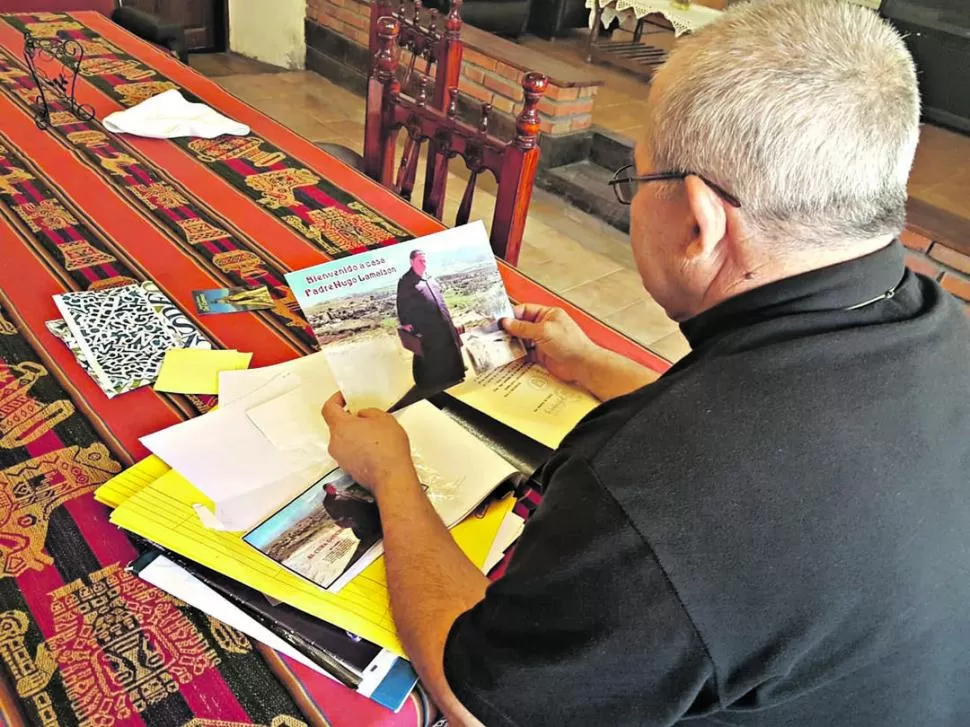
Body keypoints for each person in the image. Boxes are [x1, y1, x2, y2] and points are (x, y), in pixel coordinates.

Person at [322, 1, 970, 725]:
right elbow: (782, 436)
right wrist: (594, 364)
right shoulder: (935, 325)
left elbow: (478, 692)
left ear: (698, 222)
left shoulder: (652, 483)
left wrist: (390, 474)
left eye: (636, 182)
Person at [396, 249, 465, 393]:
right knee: (428, 352)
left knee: (450, 347)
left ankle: (454, 375)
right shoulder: (405, 281)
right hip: (425, 325)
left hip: (444, 320)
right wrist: (405, 322)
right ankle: (426, 383)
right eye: (420, 260)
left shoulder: (429, 277)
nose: (424, 263)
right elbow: (401, 303)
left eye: (425, 260)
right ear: (411, 261)